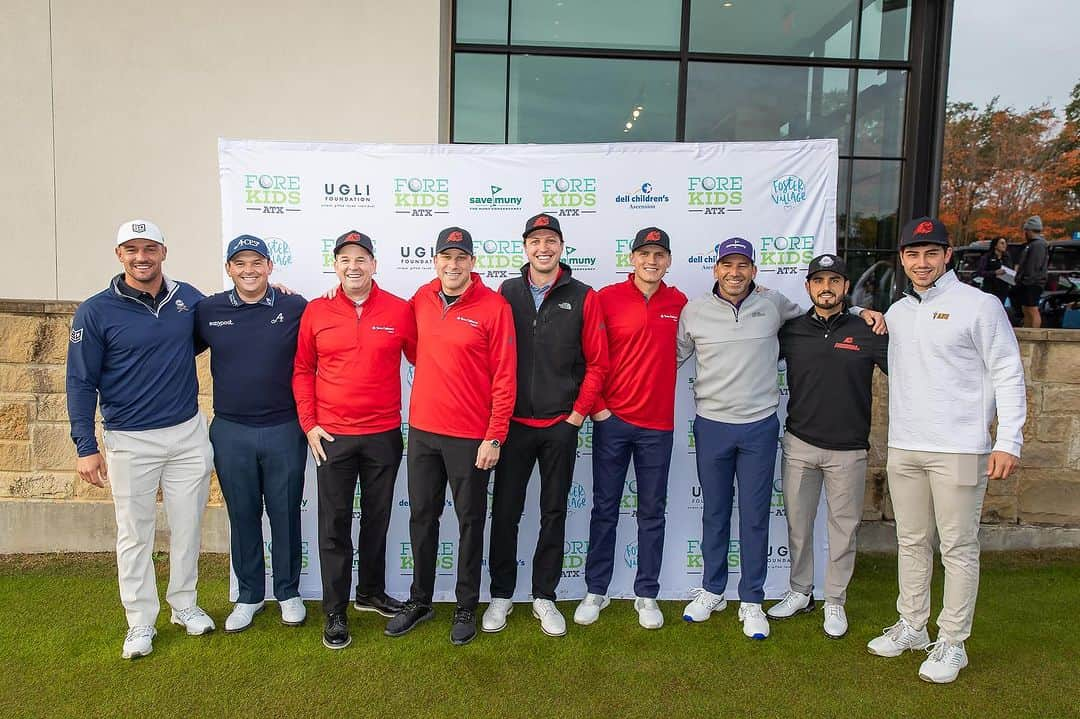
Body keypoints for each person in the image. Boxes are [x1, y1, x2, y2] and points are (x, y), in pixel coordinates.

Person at [676, 238, 884, 641]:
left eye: (743, 266)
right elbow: (672, 357)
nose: (734, 273)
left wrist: (860, 310)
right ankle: (712, 590)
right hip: (711, 424)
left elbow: (822, 311)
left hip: (758, 426)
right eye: (727, 265)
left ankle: (751, 600)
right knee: (715, 513)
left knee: (755, 517)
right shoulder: (694, 310)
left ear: (754, 270)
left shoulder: (774, 305)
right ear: (715, 269)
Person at [867, 217, 1025, 684]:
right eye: (913, 255)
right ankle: (913, 626)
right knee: (911, 542)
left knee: (957, 546)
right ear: (902, 259)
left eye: (931, 253)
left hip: (960, 447)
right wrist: (866, 315)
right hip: (906, 445)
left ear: (947, 255)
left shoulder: (980, 305)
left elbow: (1008, 373)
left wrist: (1008, 439)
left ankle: (952, 641)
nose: (921, 262)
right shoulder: (896, 312)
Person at [67, 219, 215, 660]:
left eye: (149, 248)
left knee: (188, 526)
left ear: (163, 252)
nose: (141, 257)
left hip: (188, 433)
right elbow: (80, 381)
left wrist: (274, 293)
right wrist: (85, 445)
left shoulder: (187, 298)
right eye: (132, 249)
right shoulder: (95, 311)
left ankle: (185, 606)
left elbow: (229, 323)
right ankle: (140, 622)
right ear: (119, 255)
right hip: (129, 440)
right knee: (135, 534)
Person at [385, 227, 516, 646]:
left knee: (469, 523)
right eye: (446, 257)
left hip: (471, 437)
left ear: (473, 263)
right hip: (423, 432)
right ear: (436, 260)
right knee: (422, 518)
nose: (453, 265)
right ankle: (420, 600)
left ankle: (465, 605)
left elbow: (504, 377)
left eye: (461, 258)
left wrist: (494, 436)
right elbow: (407, 345)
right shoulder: (421, 299)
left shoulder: (494, 307)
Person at [481, 213, 608, 637]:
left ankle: (544, 595)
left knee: (553, 511)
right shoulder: (507, 292)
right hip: (513, 425)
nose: (543, 248)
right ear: (526, 248)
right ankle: (501, 594)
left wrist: (576, 416)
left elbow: (597, 363)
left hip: (559, 424)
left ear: (561, 246)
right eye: (535, 241)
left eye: (550, 240)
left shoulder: (583, 295)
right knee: (506, 512)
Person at [292, 230, 417, 650]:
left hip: (383, 434)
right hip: (333, 437)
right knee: (334, 525)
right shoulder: (316, 311)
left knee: (379, 519)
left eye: (361, 258)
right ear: (336, 266)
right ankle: (335, 610)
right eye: (345, 259)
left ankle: (370, 593)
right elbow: (302, 371)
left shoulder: (401, 311)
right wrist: (309, 424)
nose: (353, 266)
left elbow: (430, 352)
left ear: (374, 264)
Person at [766, 254, 888, 639]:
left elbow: (907, 370)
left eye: (834, 280)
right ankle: (800, 591)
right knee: (798, 525)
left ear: (845, 287)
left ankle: (835, 599)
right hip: (800, 443)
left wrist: (870, 313)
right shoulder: (792, 330)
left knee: (843, 528)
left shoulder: (867, 329)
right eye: (819, 281)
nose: (826, 287)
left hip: (849, 449)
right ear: (808, 288)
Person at [574, 227, 687, 631]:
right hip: (613, 422)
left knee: (652, 512)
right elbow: (589, 356)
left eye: (659, 255)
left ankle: (647, 593)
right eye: (644, 254)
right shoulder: (605, 298)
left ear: (668, 261)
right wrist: (599, 409)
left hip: (658, 426)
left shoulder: (680, 302)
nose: (651, 261)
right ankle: (596, 589)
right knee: (605, 508)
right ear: (632, 258)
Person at [195, 235, 309, 634]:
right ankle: (249, 595)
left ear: (270, 267)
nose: (249, 270)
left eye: (256, 262)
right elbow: (173, 347)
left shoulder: (294, 306)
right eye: (240, 263)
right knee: (243, 515)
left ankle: (288, 592)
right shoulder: (208, 310)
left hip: (284, 428)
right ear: (229, 268)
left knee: (284, 513)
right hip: (231, 430)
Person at [1011, 216, 1049, 327]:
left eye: (1026, 230)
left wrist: (1026, 280)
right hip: (1028, 282)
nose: (1025, 233)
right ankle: (1027, 330)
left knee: (1032, 309)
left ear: (1029, 230)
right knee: (1025, 308)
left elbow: (1034, 266)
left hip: (1033, 283)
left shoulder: (1038, 245)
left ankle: (1034, 334)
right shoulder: (1031, 245)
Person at [974, 237, 1013, 305]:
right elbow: (980, 272)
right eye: (1002, 243)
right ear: (995, 245)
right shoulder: (987, 257)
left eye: (1005, 243)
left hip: (1003, 289)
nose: (1004, 245)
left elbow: (1010, 270)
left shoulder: (1007, 257)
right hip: (990, 288)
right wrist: (994, 272)